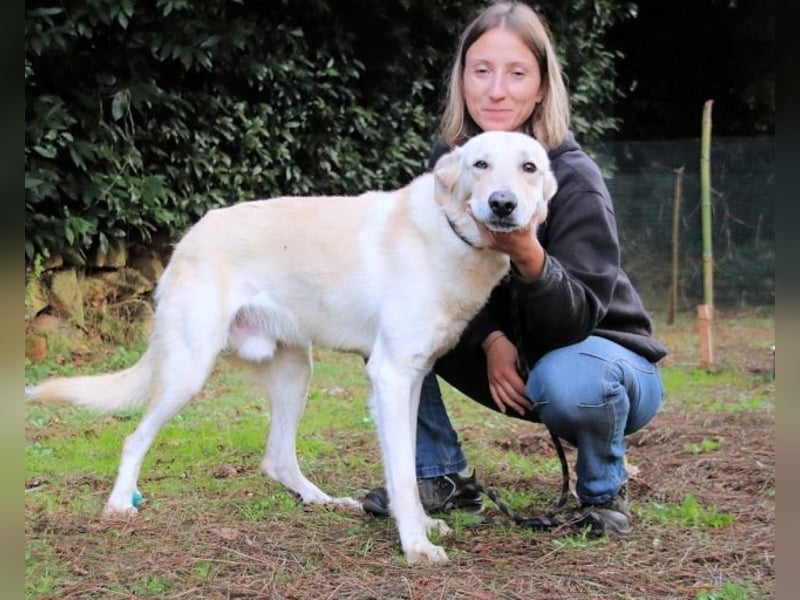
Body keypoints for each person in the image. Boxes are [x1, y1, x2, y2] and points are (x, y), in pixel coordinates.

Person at [361, 1, 667, 536]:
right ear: (462, 80)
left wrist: (528, 252)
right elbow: (428, 274)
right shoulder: (455, 164)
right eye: (481, 71)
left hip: (601, 362)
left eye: (516, 72)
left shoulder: (572, 175)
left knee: (568, 378)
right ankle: (437, 474)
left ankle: (602, 496)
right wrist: (490, 339)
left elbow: (573, 321)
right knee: (387, 314)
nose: (495, 90)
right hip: (509, 358)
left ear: (542, 87)